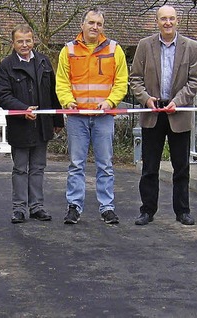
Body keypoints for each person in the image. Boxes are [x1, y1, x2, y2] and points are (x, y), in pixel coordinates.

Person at [129, 5, 197, 226]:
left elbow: (194, 81)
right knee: (149, 166)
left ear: (177, 21)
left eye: (171, 18)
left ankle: (182, 211)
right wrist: (146, 99)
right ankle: (147, 211)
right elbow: (135, 79)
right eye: (163, 19)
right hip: (152, 112)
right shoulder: (145, 45)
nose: (167, 22)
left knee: (181, 166)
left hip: (178, 113)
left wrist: (177, 102)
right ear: (157, 21)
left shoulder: (192, 47)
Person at [56, 7, 128, 225]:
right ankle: (74, 207)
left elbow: (121, 81)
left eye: (99, 23)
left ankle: (107, 208)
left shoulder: (115, 49)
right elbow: (62, 82)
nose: (95, 27)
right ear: (82, 25)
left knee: (105, 164)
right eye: (91, 23)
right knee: (76, 164)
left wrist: (110, 102)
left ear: (102, 27)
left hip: (103, 116)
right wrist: (68, 102)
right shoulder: (68, 50)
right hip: (77, 116)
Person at [0, 24, 65, 224]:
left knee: (38, 168)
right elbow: (3, 96)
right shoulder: (5, 66)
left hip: (42, 125)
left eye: (28, 41)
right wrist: (23, 109)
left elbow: (53, 92)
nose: (24, 45)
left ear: (33, 40)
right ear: (13, 43)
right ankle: (19, 209)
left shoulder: (44, 62)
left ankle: (37, 207)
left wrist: (57, 119)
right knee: (20, 169)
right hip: (20, 127)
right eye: (20, 41)